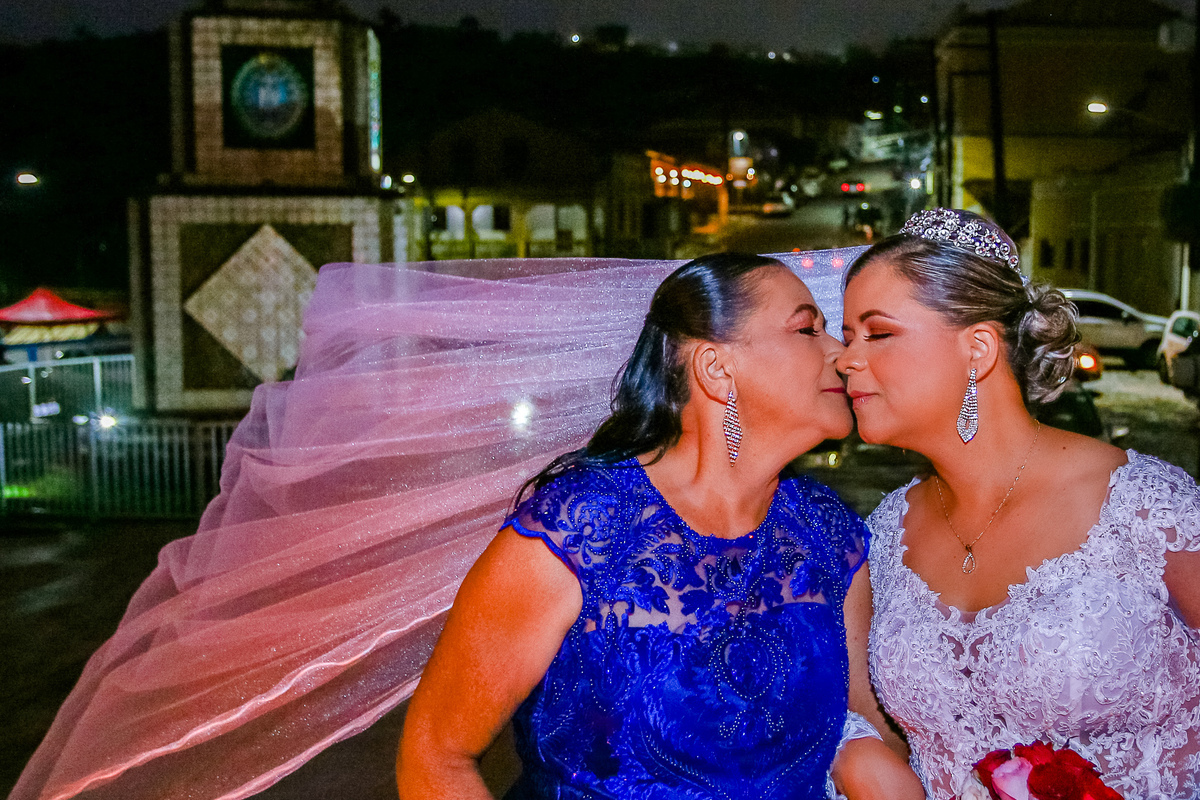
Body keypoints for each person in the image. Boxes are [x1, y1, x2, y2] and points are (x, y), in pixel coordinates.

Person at [396, 252, 912, 799]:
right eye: (807, 329)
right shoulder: (581, 530)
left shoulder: (830, 535)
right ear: (716, 367)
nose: (840, 354)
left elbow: (872, 734)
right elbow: (436, 756)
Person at [836, 208, 1200, 799]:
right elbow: (886, 740)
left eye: (877, 333)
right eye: (847, 336)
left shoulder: (1145, 509)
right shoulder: (884, 535)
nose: (846, 359)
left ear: (978, 348)